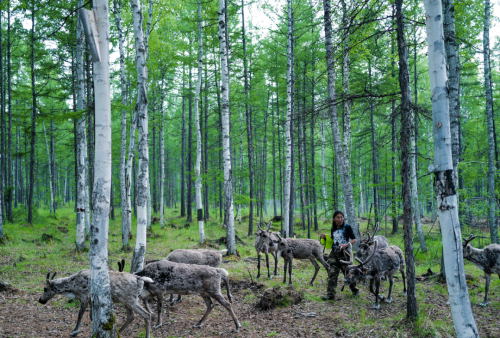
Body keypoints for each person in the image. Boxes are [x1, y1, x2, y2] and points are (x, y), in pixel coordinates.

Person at [320, 210, 359, 301]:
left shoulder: (347, 227)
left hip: (345, 254)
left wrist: (346, 245)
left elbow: (354, 240)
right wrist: (326, 238)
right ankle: (330, 294)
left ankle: (355, 291)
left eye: (342, 217)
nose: (340, 219)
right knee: (332, 273)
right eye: (338, 217)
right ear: (334, 219)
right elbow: (333, 240)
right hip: (334, 253)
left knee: (348, 273)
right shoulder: (333, 228)